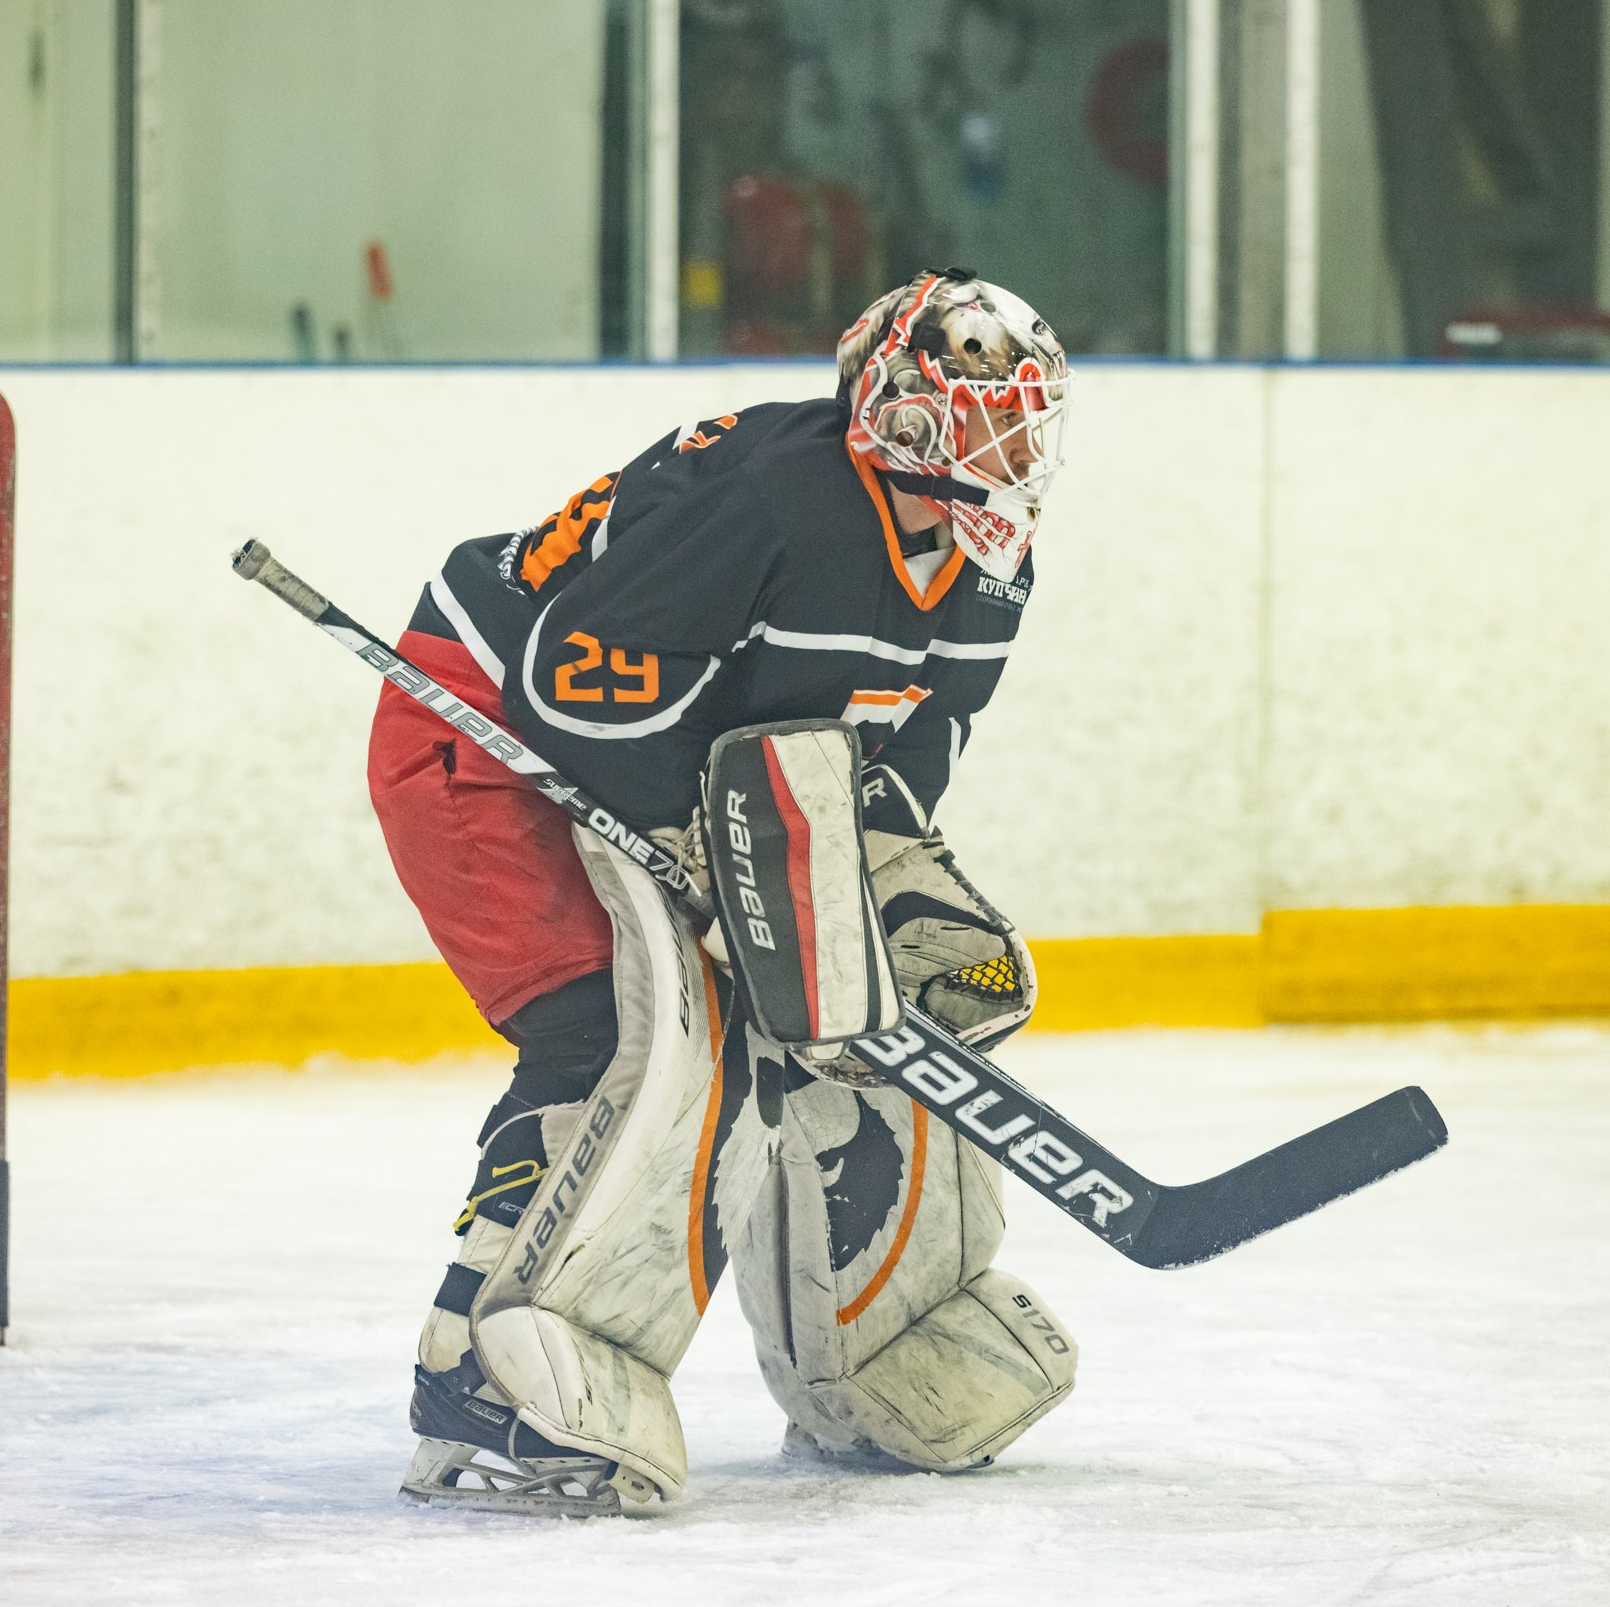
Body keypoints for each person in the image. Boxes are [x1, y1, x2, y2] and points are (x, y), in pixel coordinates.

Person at [368, 269, 1079, 1516]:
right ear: (895, 410)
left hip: (676, 771)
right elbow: (575, 688)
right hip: (485, 738)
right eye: (975, 419)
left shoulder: (988, 559)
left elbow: (904, 753)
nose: (1003, 451)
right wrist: (713, 871)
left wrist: (854, 897)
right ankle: (479, 1363)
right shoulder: (774, 495)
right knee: (621, 1035)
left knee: (856, 1029)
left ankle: (868, 1347)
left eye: (1020, 421)